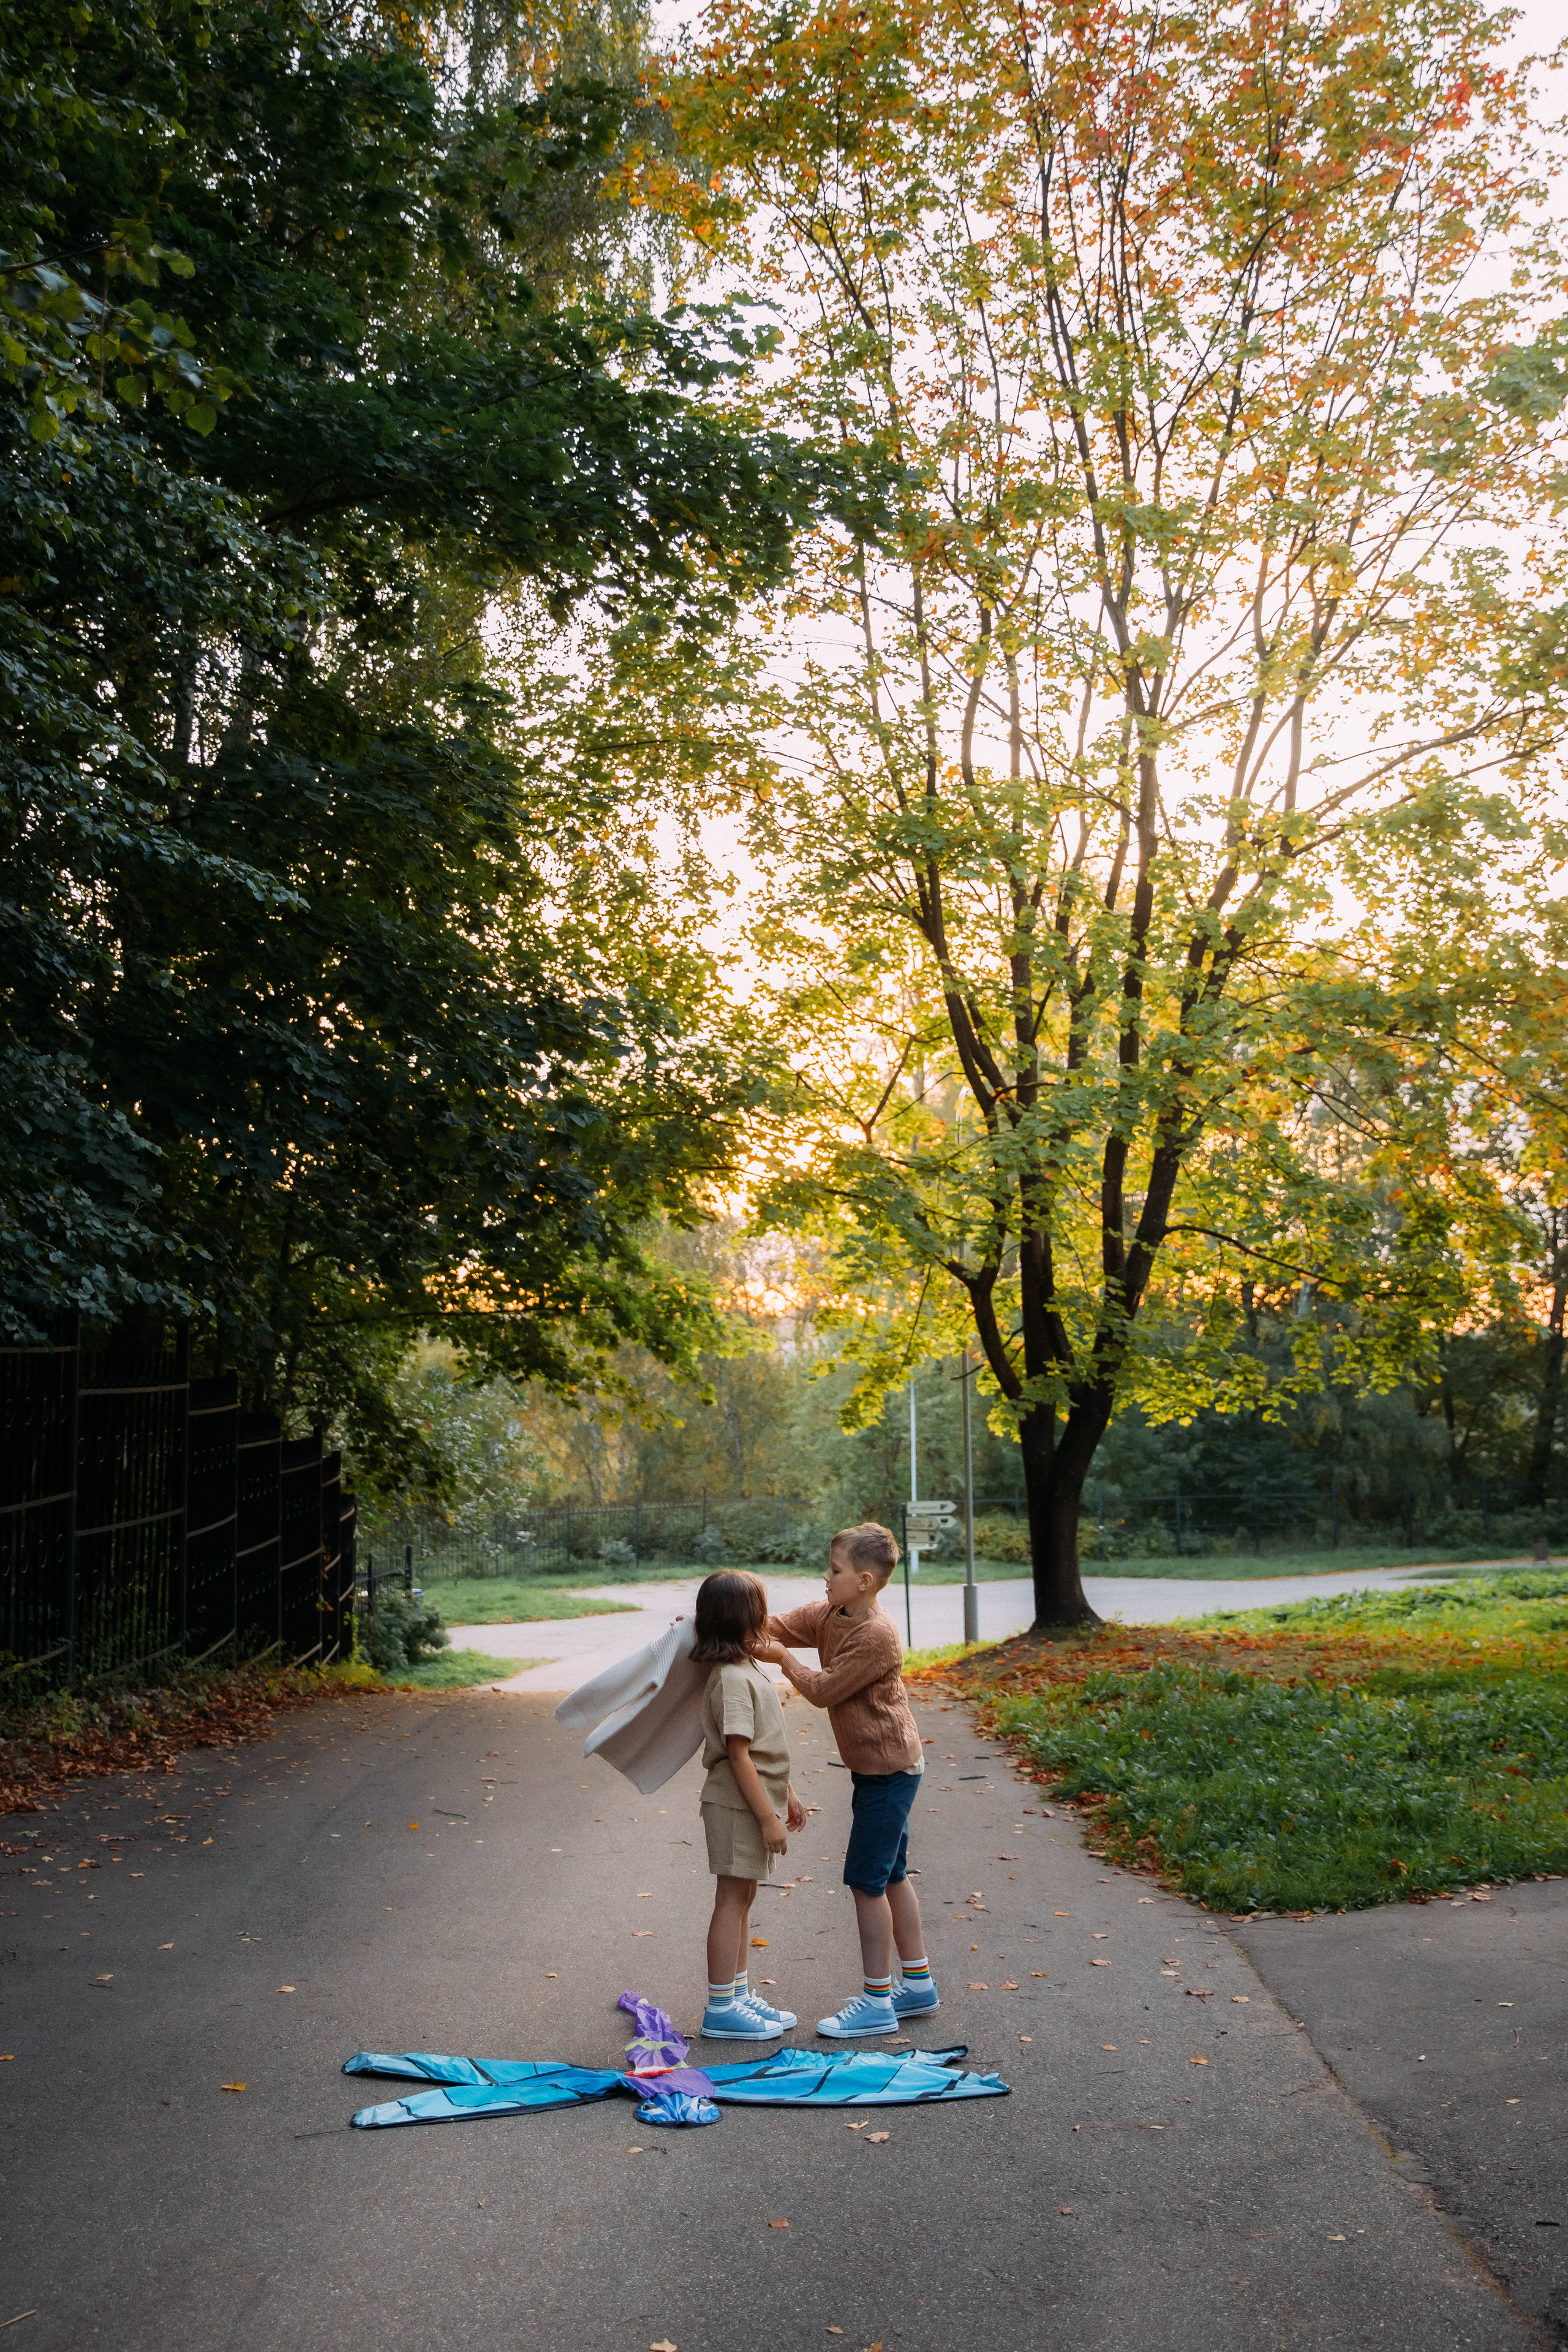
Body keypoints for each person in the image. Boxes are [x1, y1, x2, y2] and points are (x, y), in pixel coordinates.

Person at [755, 1523, 938, 2037]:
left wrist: (783, 1660)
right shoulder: (830, 1613)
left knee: (866, 1881)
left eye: (834, 1571)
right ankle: (918, 1984)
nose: (825, 1577)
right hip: (878, 1770)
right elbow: (773, 1626)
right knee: (892, 1873)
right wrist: (712, 1626)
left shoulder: (875, 1634)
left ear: (863, 1581)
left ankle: (878, 2001)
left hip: (889, 1772)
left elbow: (823, 1689)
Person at [692, 1570, 809, 2041]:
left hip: (752, 1800)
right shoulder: (732, 1679)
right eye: (761, 1611)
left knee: (744, 1898)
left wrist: (789, 1795)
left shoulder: (747, 1669)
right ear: (746, 1620)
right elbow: (738, 1753)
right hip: (737, 1805)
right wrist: (767, 1818)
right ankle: (721, 2008)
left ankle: (738, 1996)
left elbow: (765, 1747)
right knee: (731, 1899)